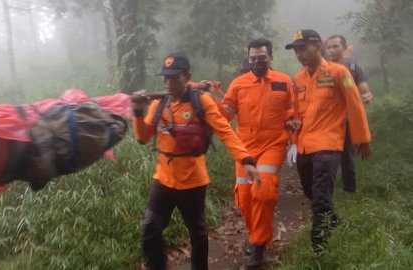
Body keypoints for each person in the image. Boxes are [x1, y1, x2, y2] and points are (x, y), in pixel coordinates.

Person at [131, 52, 260, 270]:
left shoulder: (202, 102)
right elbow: (143, 138)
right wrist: (137, 111)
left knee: (197, 232)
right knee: (150, 227)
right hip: (163, 179)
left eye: (175, 77)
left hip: (193, 181)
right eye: (166, 78)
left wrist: (246, 159)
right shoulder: (158, 105)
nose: (169, 82)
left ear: (187, 76)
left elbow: (225, 131)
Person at [284, 30, 372, 252]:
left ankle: (319, 250)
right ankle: (332, 220)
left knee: (321, 196)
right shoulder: (299, 78)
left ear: (317, 46)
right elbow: (297, 113)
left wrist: (362, 139)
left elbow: (355, 106)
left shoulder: (339, 72)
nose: (299, 54)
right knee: (310, 191)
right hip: (305, 144)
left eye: (303, 48)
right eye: (296, 50)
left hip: (329, 144)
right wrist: (293, 136)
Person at [221, 39, 295, 269]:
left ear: (270, 58)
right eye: (252, 59)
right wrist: (204, 100)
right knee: (244, 198)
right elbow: (224, 114)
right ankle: (256, 236)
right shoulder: (239, 84)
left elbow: (292, 111)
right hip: (244, 147)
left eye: (261, 58)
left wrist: (294, 139)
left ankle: (258, 244)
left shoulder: (283, 81)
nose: (256, 62)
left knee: (263, 190)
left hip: (273, 144)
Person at [325, 34, 374, 193]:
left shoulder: (352, 68)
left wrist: (366, 95)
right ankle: (325, 190)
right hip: (326, 121)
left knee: (347, 157)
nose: (331, 50)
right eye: (329, 47)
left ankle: (349, 191)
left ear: (344, 48)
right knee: (325, 157)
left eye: (335, 46)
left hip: (346, 120)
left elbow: (363, 88)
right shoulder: (322, 68)